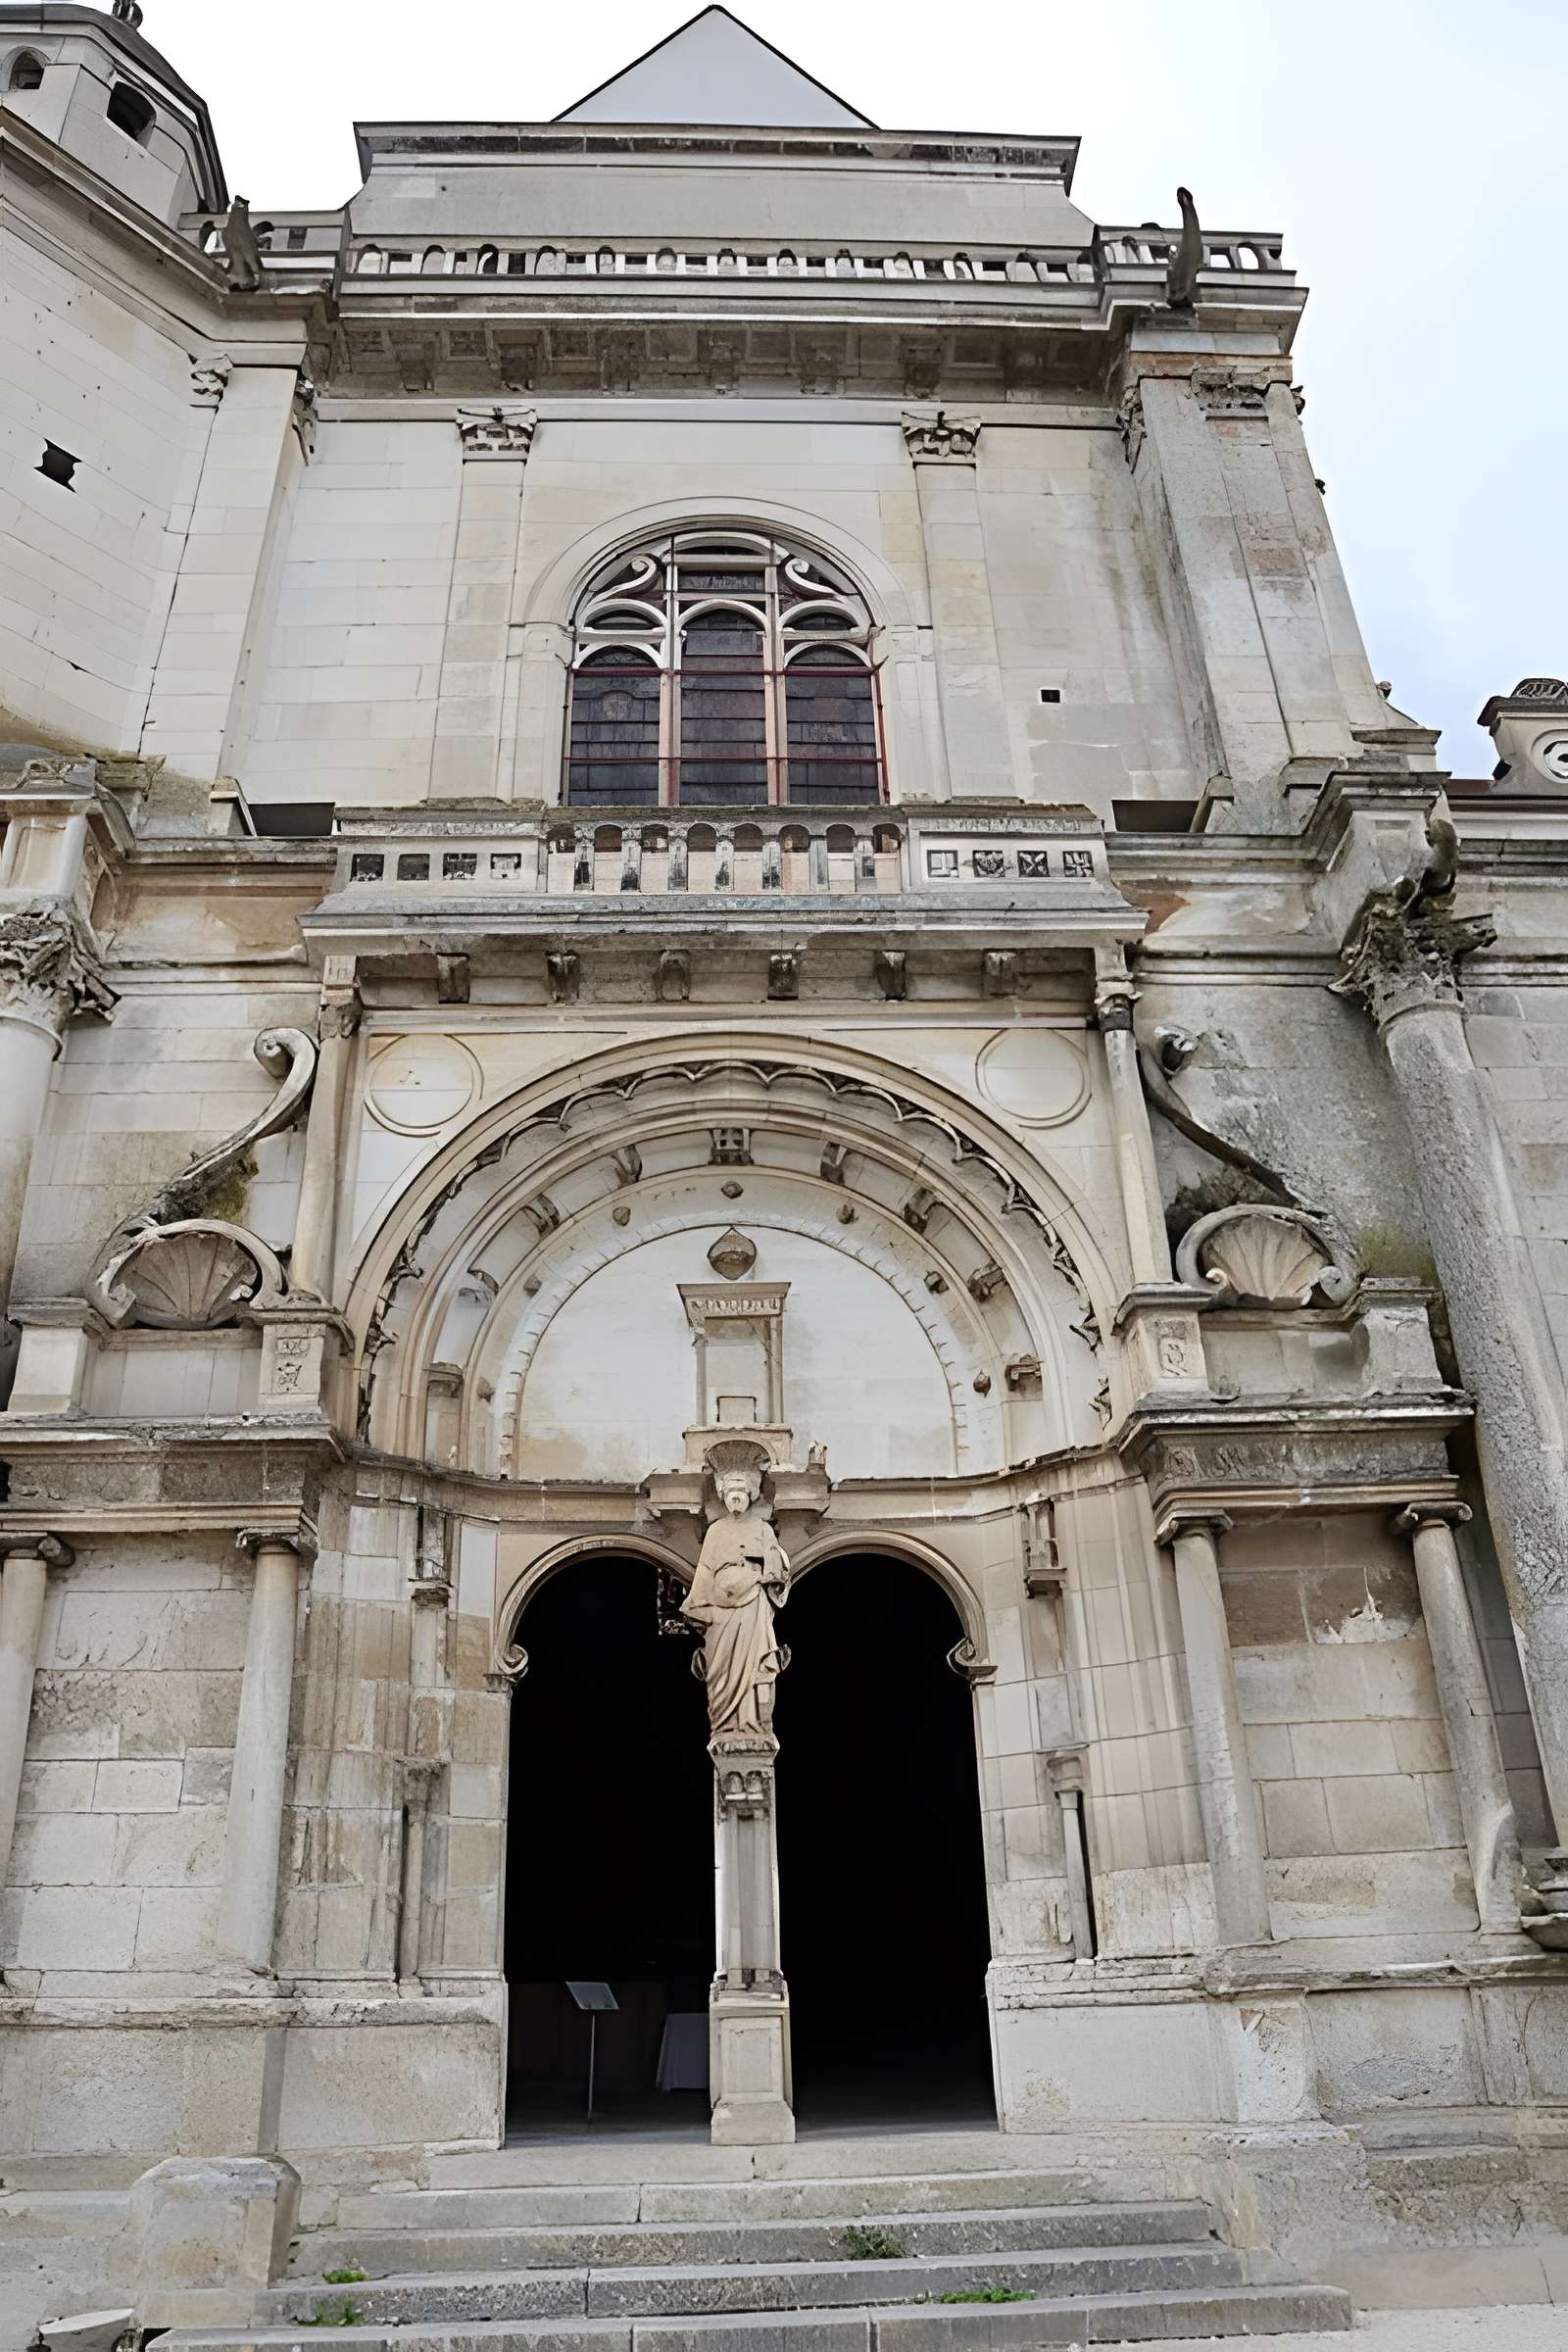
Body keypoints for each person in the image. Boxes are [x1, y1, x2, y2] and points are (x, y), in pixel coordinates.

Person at [682, 1471, 790, 1735]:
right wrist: (699, 1607)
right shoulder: (716, 1530)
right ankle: (725, 1725)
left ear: (751, 1495)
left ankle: (754, 1725)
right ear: (724, 1497)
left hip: (754, 1606)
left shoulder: (763, 1529)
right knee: (721, 1671)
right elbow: (706, 1570)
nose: (735, 1499)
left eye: (740, 1493)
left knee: (756, 1666)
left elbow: (778, 1568)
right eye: (730, 1494)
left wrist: (763, 1571)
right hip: (721, 1613)